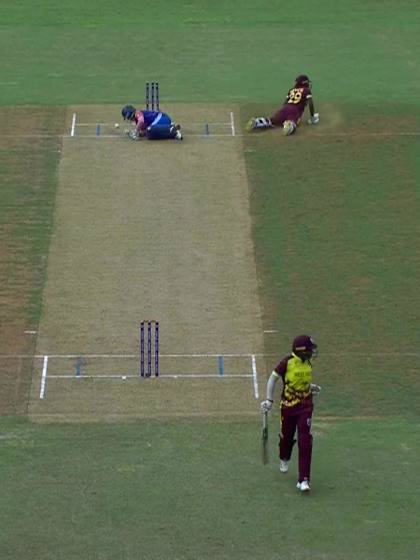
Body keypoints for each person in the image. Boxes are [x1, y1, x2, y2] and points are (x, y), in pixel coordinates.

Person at [260, 335, 321, 492]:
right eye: (309, 350)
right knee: (286, 438)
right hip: (288, 407)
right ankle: (284, 457)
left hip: (305, 406)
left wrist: (310, 387)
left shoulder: (308, 363)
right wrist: (268, 400)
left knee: (305, 439)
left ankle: (304, 479)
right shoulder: (287, 363)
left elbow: (303, 382)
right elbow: (272, 380)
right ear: (301, 351)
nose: (312, 353)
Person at [246, 75, 319, 136]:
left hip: (285, 108)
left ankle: (258, 121)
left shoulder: (291, 90)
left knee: (272, 121)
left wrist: (283, 112)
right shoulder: (306, 90)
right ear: (305, 83)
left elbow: (285, 102)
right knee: (294, 121)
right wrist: (312, 117)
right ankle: (289, 124)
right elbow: (310, 103)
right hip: (295, 110)